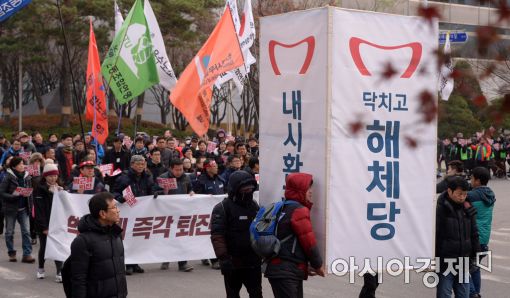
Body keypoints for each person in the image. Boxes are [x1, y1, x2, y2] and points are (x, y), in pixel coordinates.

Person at [265, 172, 325, 298]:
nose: (311, 192)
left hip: (280, 268)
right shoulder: (299, 210)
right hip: (286, 272)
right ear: (300, 190)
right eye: (308, 188)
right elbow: (308, 241)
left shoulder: (282, 207)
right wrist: (318, 265)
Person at [211, 171, 262, 298]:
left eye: (250, 188)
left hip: (253, 261)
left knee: (256, 294)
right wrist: (223, 258)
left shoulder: (254, 205)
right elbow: (217, 235)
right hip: (232, 262)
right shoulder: (222, 207)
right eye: (244, 189)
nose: (248, 191)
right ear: (235, 189)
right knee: (233, 294)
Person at [68, 192, 127, 298]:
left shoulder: (116, 235)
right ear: (102, 214)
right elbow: (78, 280)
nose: (118, 210)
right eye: (114, 208)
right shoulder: (83, 241)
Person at [435, 176, 480, 298]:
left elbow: (474, 234)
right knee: (444, 294)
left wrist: (475, 255)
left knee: (463, 294)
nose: (462, 197)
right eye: (459, 194)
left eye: (465, 194)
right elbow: (435, 236)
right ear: (450, 191)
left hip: (463, 263)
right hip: (445, 263)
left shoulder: (468, 208)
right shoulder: (439, 209)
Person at [112, 155, 153, 275]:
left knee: (137, 238)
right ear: (132, 165)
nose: (141, 166)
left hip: (142, 212)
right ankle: (128, 264)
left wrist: (156, 193)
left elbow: (151, 189)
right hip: (128, 212)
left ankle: (135, 263)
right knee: (128, 237)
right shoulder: (123, 178)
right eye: (138, 164)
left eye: (142, 164)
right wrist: (121, 198)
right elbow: (114, 193)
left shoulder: (147, 177)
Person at [154, 158, 194, 272]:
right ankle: (166, 259)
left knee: (182, 237)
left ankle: (183, 263)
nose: (179, 172)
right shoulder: (163, 178)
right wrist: (163, 192)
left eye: (181, 169)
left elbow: (190, 188)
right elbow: (154, 192)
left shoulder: (186, 177)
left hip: (182, 212)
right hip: (167, 212)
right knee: (168, 237)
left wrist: (191, 192)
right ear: (171, 169)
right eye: (177, 170)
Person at [467, 167, 496, 298]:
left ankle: (473, 293)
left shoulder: (472, 195)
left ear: (477, 180)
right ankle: (476, 293)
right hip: (484, 239)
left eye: (472, 178)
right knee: (475, 268)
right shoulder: (490, 194)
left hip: (473, 238)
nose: (470, 180)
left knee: (461, 268)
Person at [0, 156, 35, 263]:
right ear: (14, 166)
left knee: (26, 232)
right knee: (9, 232)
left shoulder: (27, 176)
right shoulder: (8, 177)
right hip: (11, 208)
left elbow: (31, 191)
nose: (22, 166)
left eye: (23, 164)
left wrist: (28, 195)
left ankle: (27, 254)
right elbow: (2, 192)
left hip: (24, 208)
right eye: (20, 164)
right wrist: (13, 196)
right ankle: (11, 252)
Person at [33, 163, 64, 282]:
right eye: (50, 176)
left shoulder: (60, 188)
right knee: (44, 247)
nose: (53, 178)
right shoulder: (40, 190)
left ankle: (59, 271)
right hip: (44, 224)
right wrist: (44, 227)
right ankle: (41, 268)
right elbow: (39, 211)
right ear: (45, 176)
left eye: (55, 176)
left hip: (57, 223)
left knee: (58, 246)